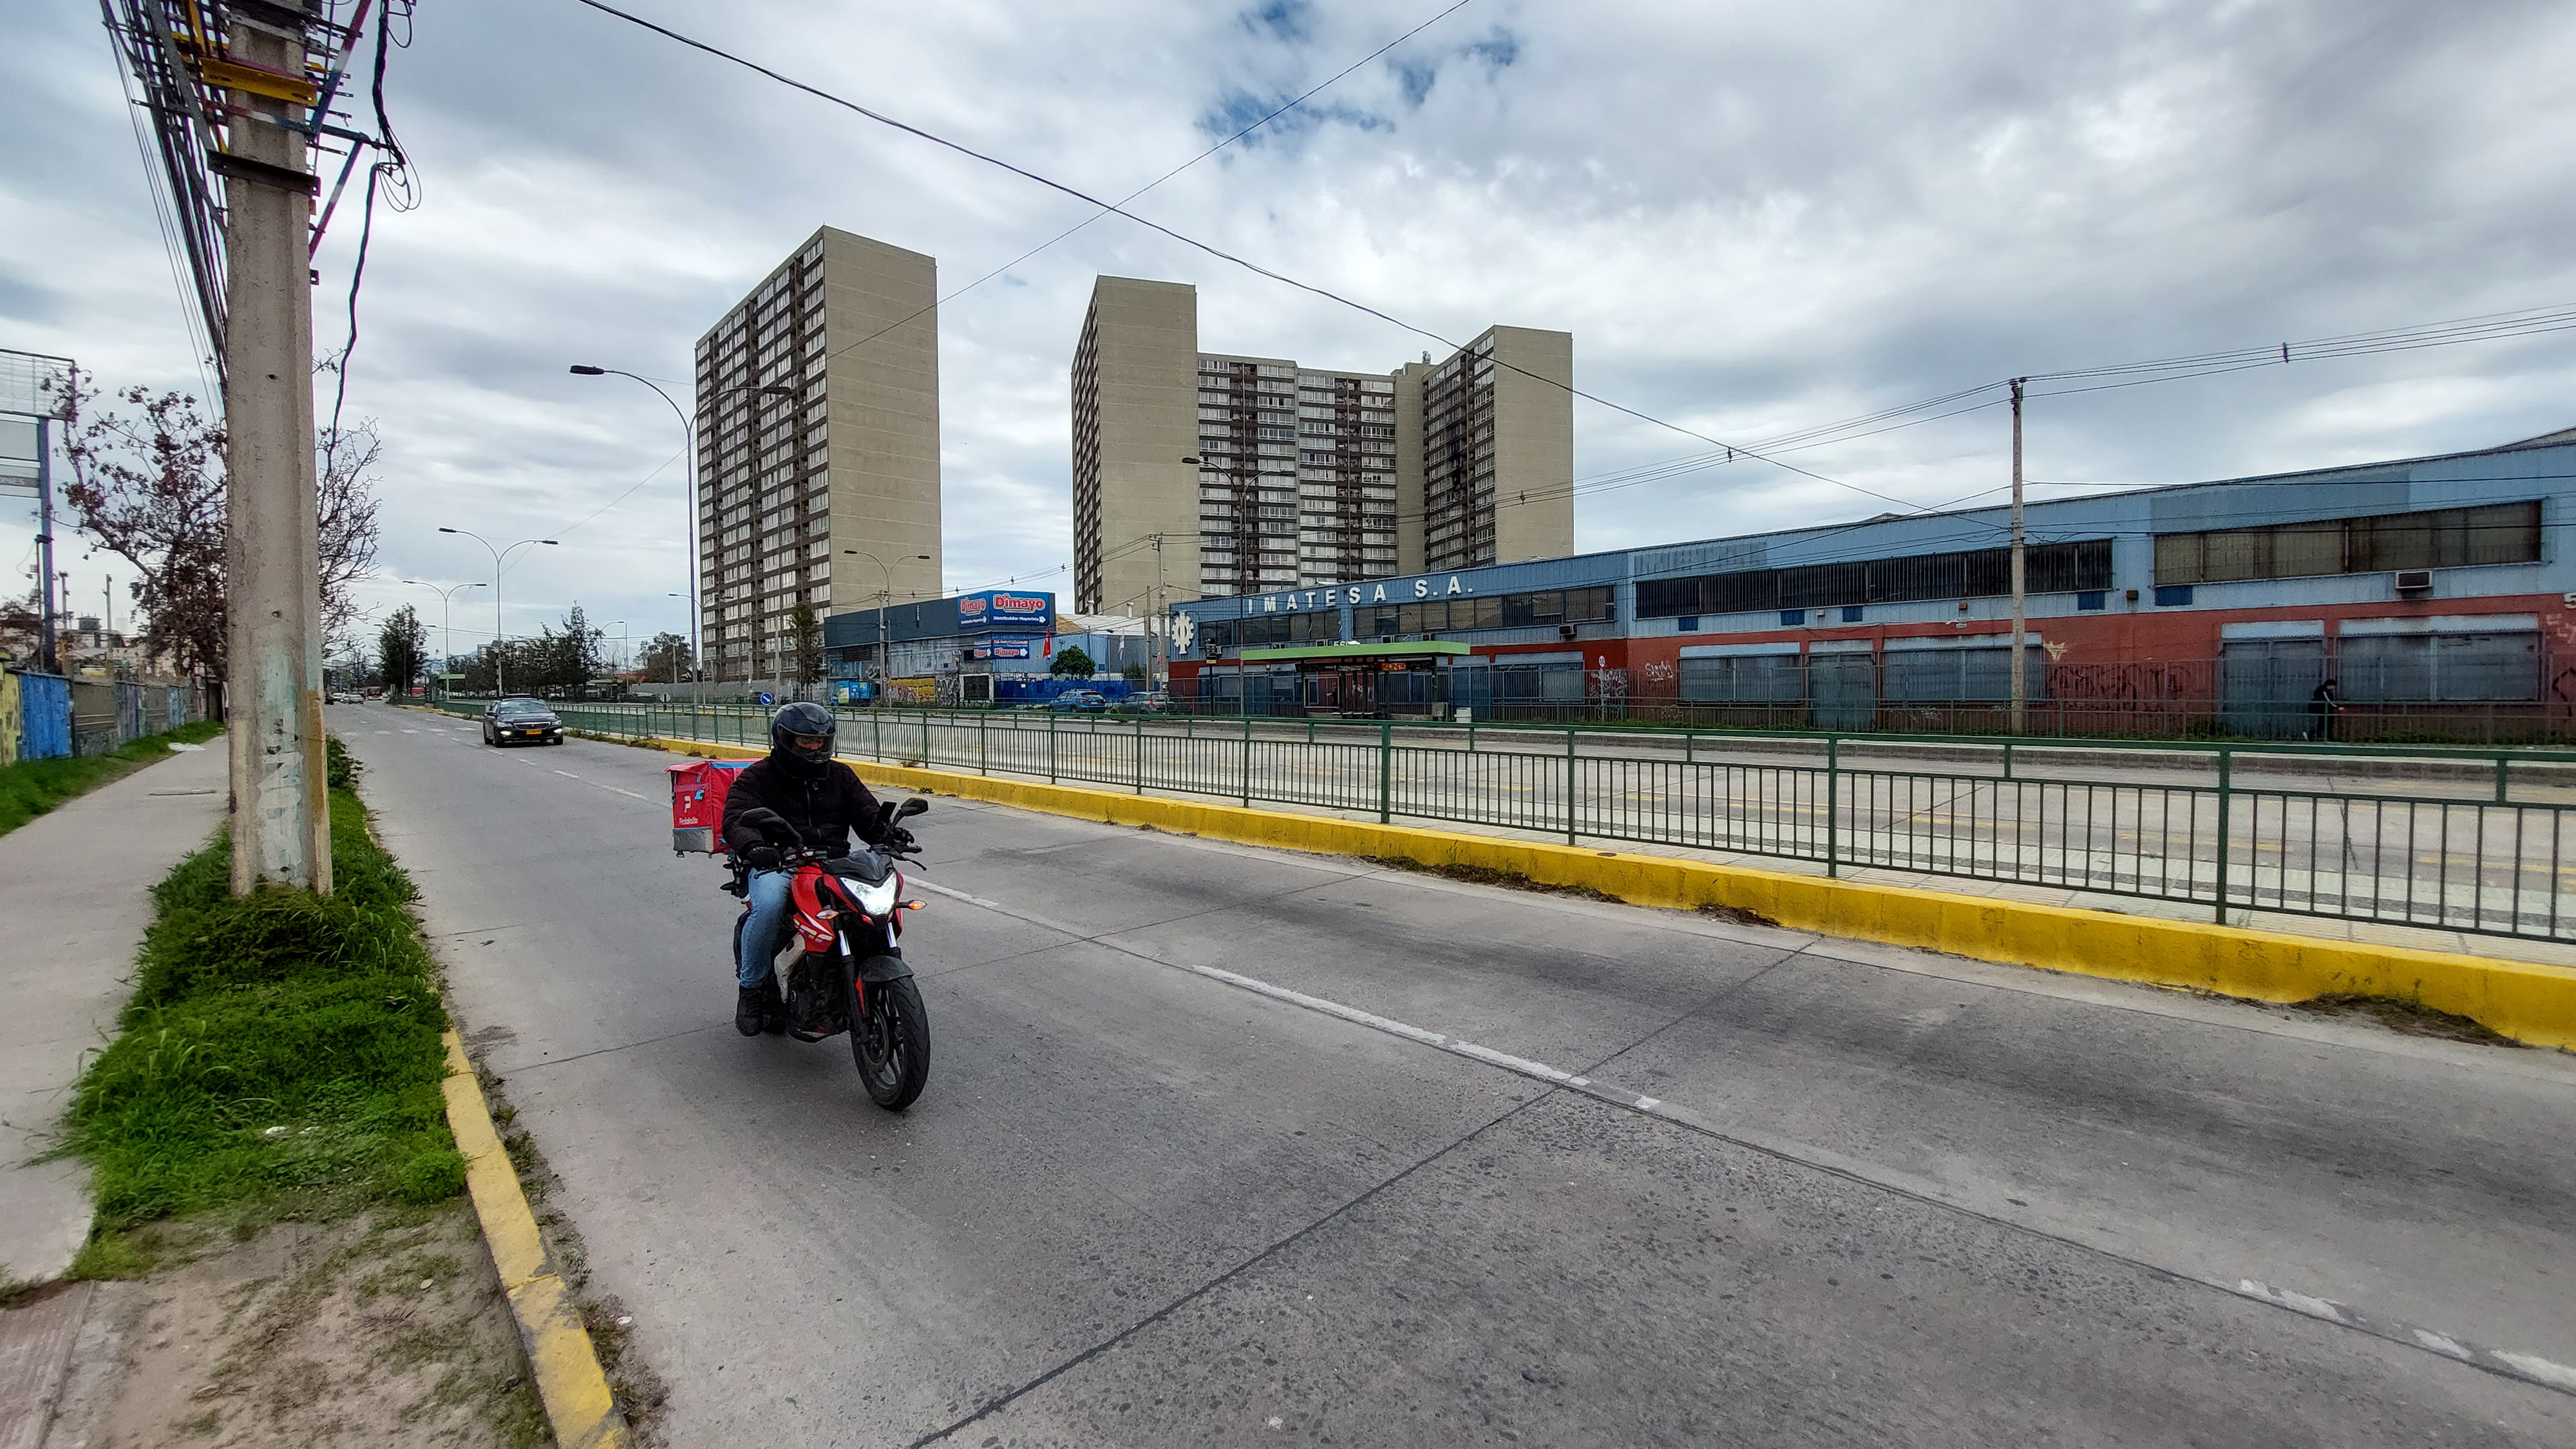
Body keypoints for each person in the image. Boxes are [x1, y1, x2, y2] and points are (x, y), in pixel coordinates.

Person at [721, 701, 885, 1036]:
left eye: (821, 741)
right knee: (767, 907)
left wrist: (888, 832)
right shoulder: (759, 776)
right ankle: (750, 989)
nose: (815, 748)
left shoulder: (840, 775)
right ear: (785, 740)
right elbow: (737, 818)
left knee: (875, 905)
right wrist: (754, 847)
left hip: (833, 863)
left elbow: (867, 814)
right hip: (779, 863)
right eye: (806, 742)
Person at [2307, 677, 2340, 741]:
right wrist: (2337, 707)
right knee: (2324, 724)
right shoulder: (2324, 691)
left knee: (2327, 724)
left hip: (2325, 710)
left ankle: (2327, 737)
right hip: (2323, 710)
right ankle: (2313, 733)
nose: (2334, 688)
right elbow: (2328, 701)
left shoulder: (2324, 691)